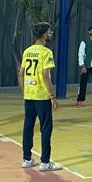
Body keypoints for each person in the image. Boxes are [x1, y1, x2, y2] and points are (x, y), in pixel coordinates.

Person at [19, 23, 62, 171]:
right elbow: (45, 75)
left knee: (28, 127)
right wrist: (52, 96)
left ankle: (26, 159)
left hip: (29, 95)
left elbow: (21, 73)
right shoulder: (46, 52)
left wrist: (25, 91)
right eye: (49, 32)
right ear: (44, 34)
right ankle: (45, 162)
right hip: (42, 96)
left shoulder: (27, 51)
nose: (51, 34)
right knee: (46, 128)